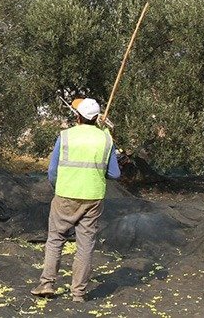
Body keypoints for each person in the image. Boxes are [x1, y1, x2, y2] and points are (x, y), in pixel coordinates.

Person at [32, 98, 121, 302]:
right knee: (85, 244)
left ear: (77, 116)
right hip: (93, 198)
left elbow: (53, 171)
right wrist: (107, 136)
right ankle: (78, 293)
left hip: (65, 195)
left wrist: (59, 187)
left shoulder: (65, 136)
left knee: (55, 239)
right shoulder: (106, 139)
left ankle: (47, 283)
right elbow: (115, 174)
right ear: (97, 118)